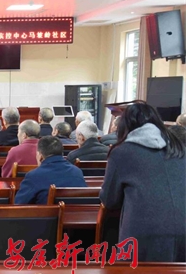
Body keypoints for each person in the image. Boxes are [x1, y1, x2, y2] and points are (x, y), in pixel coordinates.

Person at [100, 103, 185, 262]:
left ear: (125, 125)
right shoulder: (178, 147)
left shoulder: (122, 152)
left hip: (145, 235)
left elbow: (109, 200)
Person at [14, 136, 87, 204]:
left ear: (40, 156)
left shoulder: (33, 176)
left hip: (44, 213)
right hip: (76, 213)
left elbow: (19, 204)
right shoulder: (77, 172)